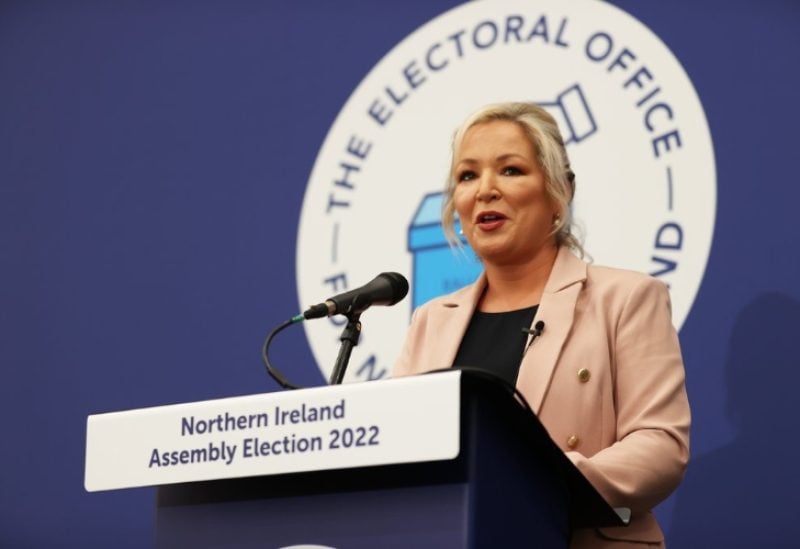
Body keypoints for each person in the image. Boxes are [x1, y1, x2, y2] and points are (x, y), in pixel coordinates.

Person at [392, 102, 690, 547]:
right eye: (467, 176)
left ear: (559, 192)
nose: (485, 190)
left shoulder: (627, 298)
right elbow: (399, 446)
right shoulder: (431, 320)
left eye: (510, 170)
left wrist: (543, 485)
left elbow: (660, 445)